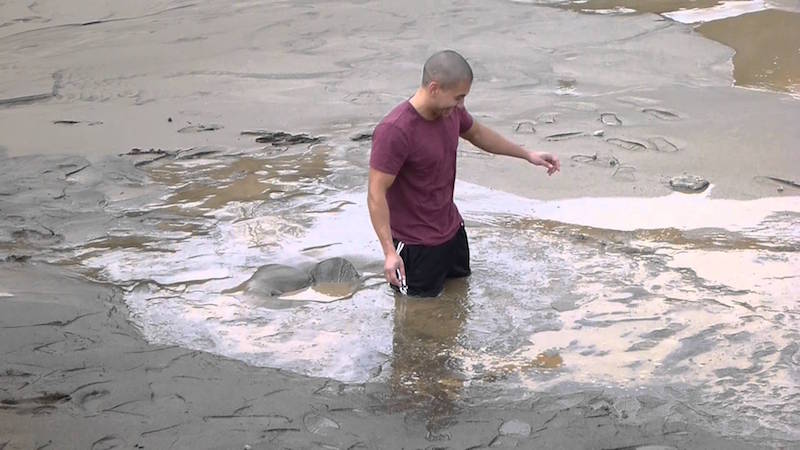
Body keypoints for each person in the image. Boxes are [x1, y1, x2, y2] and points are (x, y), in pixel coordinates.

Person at [368, 50, 560, 297]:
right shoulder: (394, 131)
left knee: (458, 304)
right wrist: (389, 252)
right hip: (415, 247)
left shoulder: (451, 113)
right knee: (415, 323)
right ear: (434, 88)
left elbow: (479, 134)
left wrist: (527, 155)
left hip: (453, 234)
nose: (461, 105)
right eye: (458, 98)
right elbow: (376, 194)